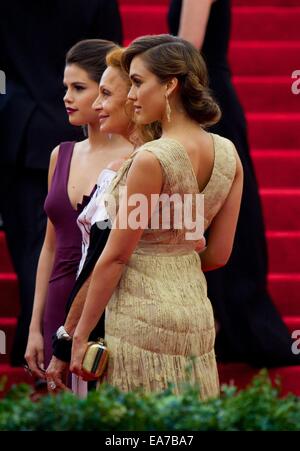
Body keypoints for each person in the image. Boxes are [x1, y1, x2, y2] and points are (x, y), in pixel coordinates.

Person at [67, 34, 243, 399]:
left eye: (136, 82)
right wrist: (174, 254)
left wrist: (79, 334)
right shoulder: (228, 153)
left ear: (170, 86)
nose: (130, 96)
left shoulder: (152, 158)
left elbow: (116, 255)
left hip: (139, 317)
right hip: (194, 311)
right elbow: (218, 254)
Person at [168, 0, 300, 367]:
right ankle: (221, 323)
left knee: (220, 214)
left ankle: (234, 322)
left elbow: (186, 51)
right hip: (202, 102)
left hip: (205, 105)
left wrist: (142, 71)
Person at [0, 0, 123, 367]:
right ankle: (43, 340)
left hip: (19, 129)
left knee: (32, 245)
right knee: (56, 245)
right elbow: (114, 62)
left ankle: (36, 339)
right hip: (66, 128)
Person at [24, 40, 133, 386]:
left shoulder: (137, 158)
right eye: (66, 88)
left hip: (108, 302)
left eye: (79, 88)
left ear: (109, 91)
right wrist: (35, 326)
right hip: (59, 299)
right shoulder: (61, 154)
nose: (67, 97)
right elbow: (50, 248)